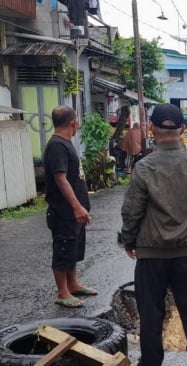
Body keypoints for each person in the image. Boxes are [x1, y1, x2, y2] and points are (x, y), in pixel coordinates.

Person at [119, 103, 187, 366]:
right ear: (183, 129)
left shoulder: (143, 167)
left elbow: (132, 211)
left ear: (151, 129)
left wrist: (128, 240)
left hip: (151, 255)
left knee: (151, 313)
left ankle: (151, 362)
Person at [42, 105, 96, 309]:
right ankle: (62, 292)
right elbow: (60, 179)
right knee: (63, 248)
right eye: (77, 122)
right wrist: (76, 206)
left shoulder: (65, 143)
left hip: (74, 211)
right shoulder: (57, 146)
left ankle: (73, 284)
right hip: (63, 211)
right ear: (73, 123)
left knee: (73, 247)